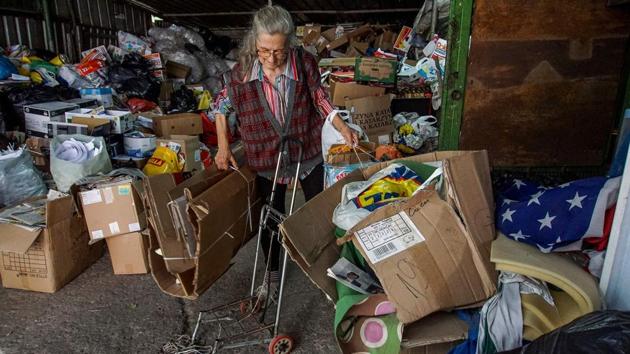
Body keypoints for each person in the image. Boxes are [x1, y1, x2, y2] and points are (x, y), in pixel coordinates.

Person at [212, 5, 358, 304]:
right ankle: (272, 275)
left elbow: (319, 96)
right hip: (266, 155)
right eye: (264, 50)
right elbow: (219, 109)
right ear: (255, 42)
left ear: (289, 42)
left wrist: (341, 127)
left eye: (278, 51)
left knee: (322, 213)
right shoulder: (239, 74)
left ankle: (333, 272)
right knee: (272, 217)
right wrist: (223, 147)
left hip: (307, 148)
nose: (272, 58)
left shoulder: (303, 62)